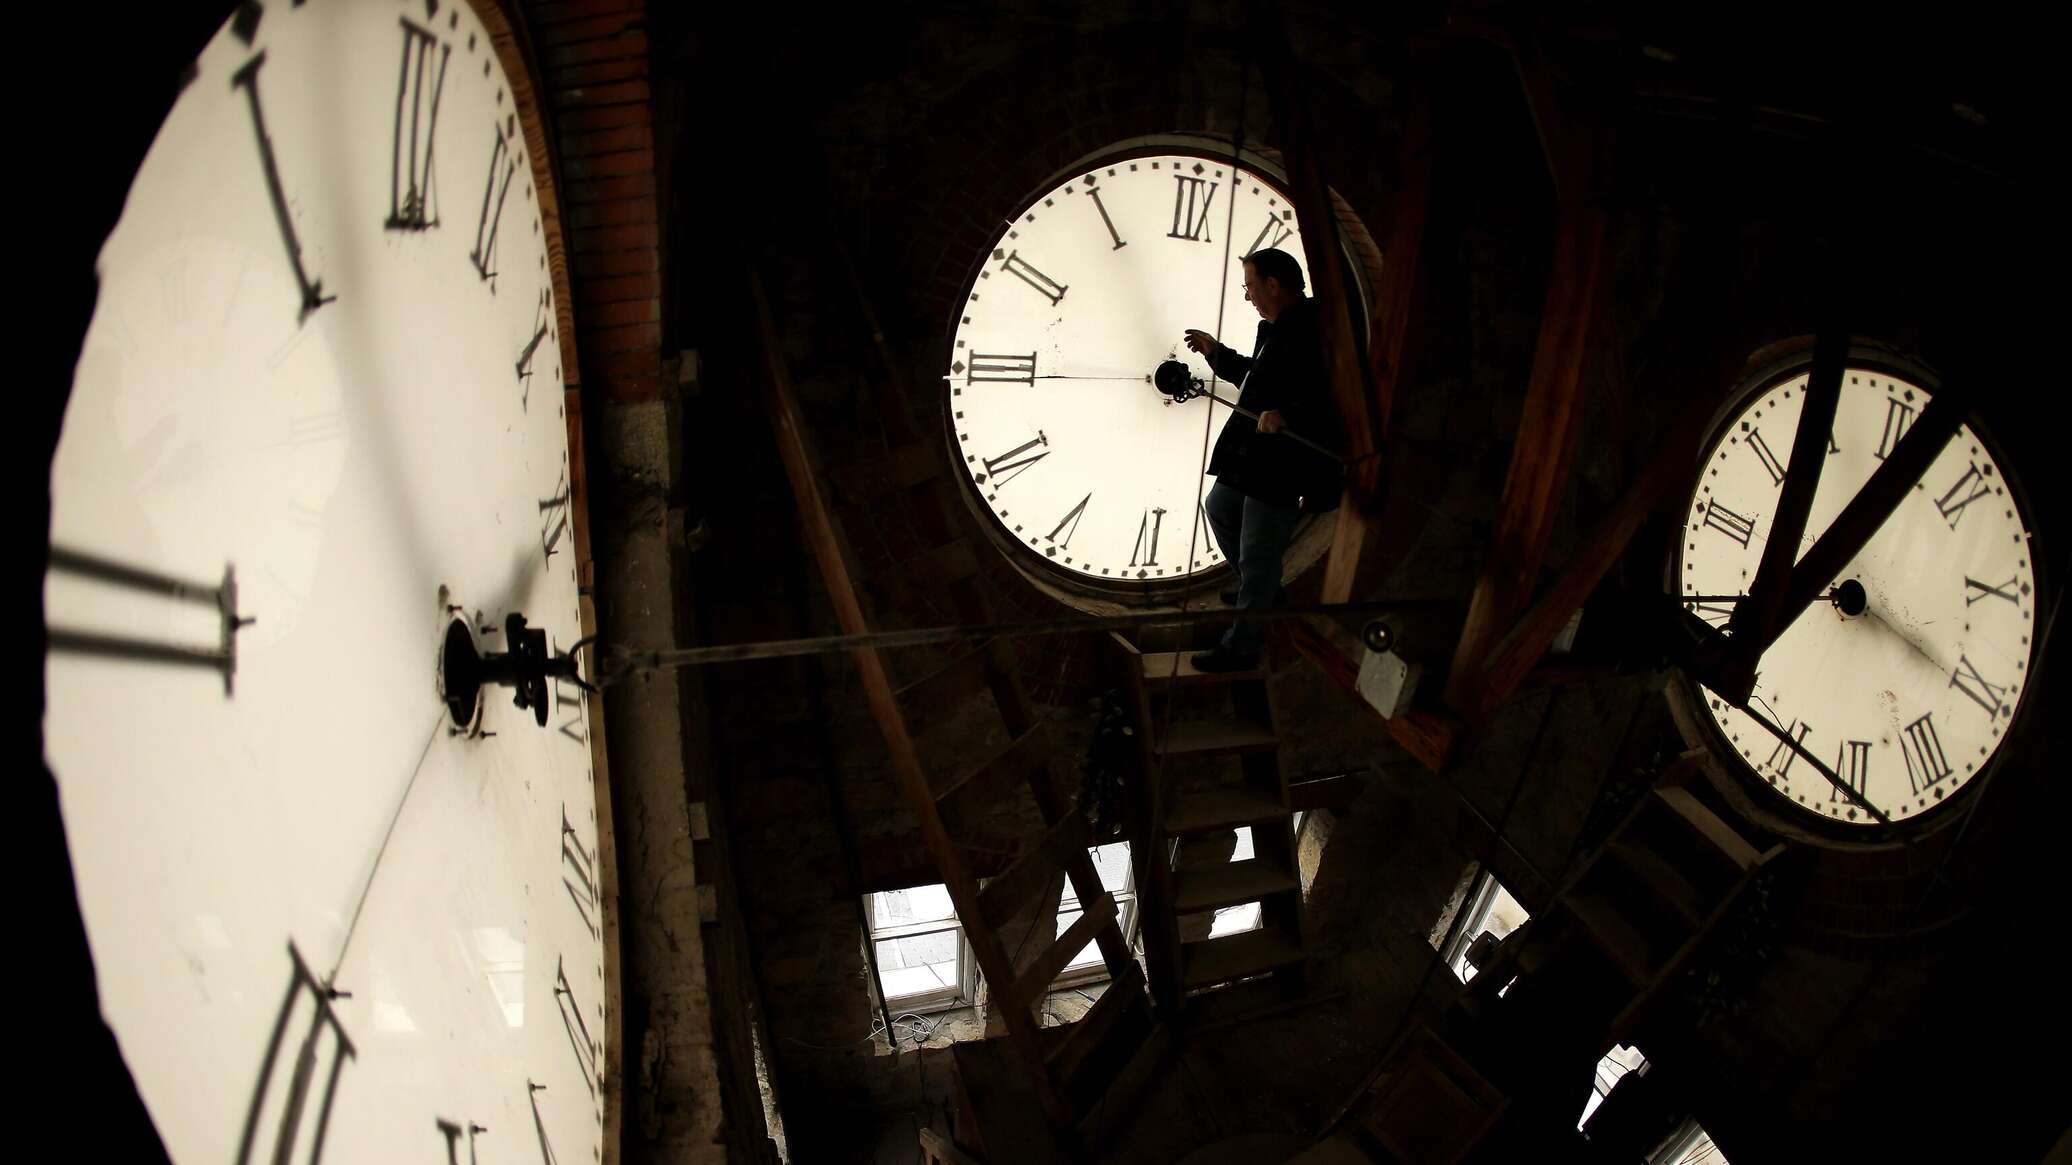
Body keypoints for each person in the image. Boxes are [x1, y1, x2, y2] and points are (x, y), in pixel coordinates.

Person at [1181, 247, 1343, 673]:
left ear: (1274, 284)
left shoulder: (1317, 328)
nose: (1248, 296)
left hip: (1286, 462)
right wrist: (1216, 354)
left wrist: (1290, 415)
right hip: (1256, 455)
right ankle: (1262, 589)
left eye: (1250, 285)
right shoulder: (1277, 328)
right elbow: (1258, 377)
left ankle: (1243, 645)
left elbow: (1339, 395)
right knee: (1219, 508)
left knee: (1256, 553)